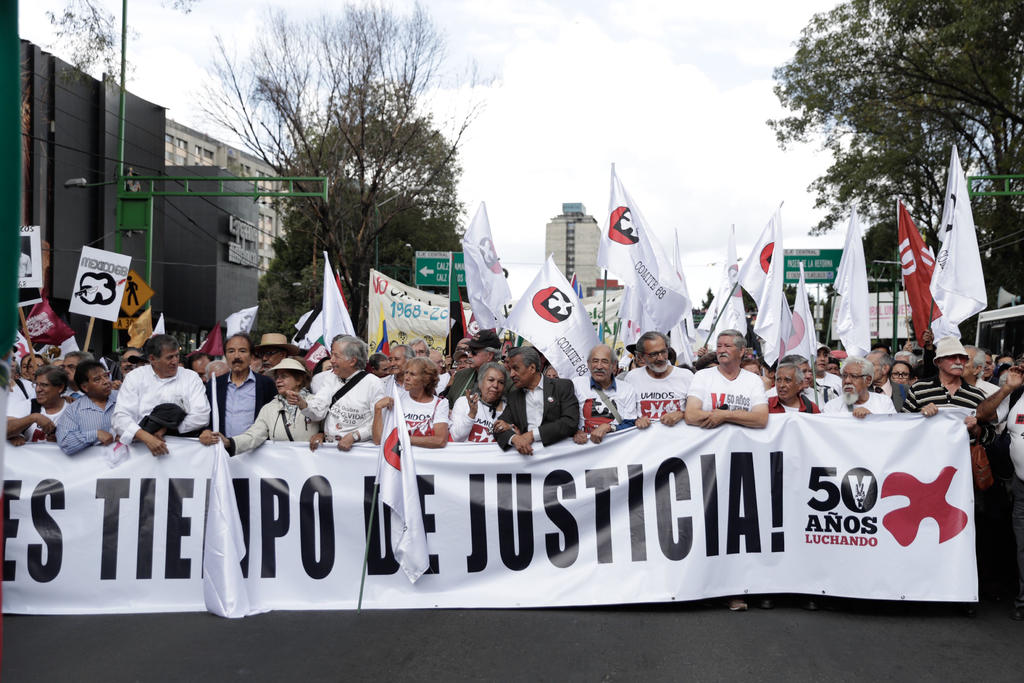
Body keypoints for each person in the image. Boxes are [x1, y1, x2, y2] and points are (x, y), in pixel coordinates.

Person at [111, 334, 211, 456]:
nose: (175, 361)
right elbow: (120, 417)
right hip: (140, 453)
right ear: (152, 359)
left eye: (177, 356)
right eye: (169, 357)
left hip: (183, 452)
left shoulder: (191, 378)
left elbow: (202, 416)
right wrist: (145, 436)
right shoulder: (135, 377)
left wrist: (167, 429)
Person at [200, 359, 322, 454]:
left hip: (310, 466)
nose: (278, 380)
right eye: (277, 377)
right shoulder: (269, 408)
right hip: (282, 468)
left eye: (284, 376)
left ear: (299, 380)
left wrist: (322, 434)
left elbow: (327, 426)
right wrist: (228, 442)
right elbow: (254, 435)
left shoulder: (315, 402)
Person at [299, 336, 384, 452]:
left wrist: (355, 436)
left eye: (336, 356)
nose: (331, 360)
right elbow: (319, 410)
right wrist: (303, 404)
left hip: (359, 451)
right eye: (332, 355)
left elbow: (379, 422)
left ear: (352, 361)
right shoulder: (330, 378)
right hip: (330, 449)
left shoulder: (374, 384)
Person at [493, 346, 579, 454]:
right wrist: (515, 438)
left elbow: (570, 422)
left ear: (532, 368)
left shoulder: (562, 387)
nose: (511, 374)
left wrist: (532, 435)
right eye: (510, 369)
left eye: (516, 368)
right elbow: (499, 427)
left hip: (560, 456)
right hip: (528, 457)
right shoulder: (514, 396)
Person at [684, 329, 768, 430]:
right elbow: (691, 415)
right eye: (719, 346)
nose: (721, 350)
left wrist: (725, 415)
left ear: (741, 351)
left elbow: (761, 419)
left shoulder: (754, 380)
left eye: (727, 346)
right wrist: (741, 417)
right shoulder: (702, 376)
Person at [202, 333, 276, 438]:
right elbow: (206, 418)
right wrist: (206, 431)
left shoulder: (266, 384)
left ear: (251, 356)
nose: (236, 356)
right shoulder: (214, 385)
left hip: (256, 447)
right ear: (225, 356)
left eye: (242, 351)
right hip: (222, 446)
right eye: (231, 351)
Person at [373, 357, 449, 448]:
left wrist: (400, 439)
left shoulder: (440, 404)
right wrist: (377, 409)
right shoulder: (396, 399)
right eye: (406, 373)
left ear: (426, 379)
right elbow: (379, 440)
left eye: (412, 374)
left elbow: (440, 441)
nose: (406, 378)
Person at [624, 331, 694, 428]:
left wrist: (682, 414)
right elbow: (625, 414)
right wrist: (636, 420)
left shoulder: (686, 376)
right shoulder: (632, 378)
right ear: (640, 357)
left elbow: (701, 410)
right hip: (644, 437)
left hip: (680, 437)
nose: (661, 358)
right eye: (654, 354)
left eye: (663, 352)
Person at [572, 344, 638, 444]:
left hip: (614, 448)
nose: (599, 366)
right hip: (583, 447)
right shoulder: (577, 384)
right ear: (588, 364)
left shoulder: (627, 389)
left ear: (614, 365)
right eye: (595, 361)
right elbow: (565, 417)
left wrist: (609, 427)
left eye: (604, 361)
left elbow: (630, 424)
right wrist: (574, 431)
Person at [56, 360, 117, 455]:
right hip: (93, 464)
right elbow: (65, 443)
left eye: (106, 376)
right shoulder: (73, 410)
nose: (106, 382)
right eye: (97, 379)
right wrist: (95, 435)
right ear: (85, 387)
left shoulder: (123, 398)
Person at [7, 366, 69, 445]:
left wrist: (63, 440)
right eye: (36, 384)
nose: (37, 389)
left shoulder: (74, 410)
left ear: (60, 387)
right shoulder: (29, 405)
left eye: (44, 385)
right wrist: (33, 418)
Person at [449, 361, 508, 442]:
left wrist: (509, 430)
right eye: (491, 380)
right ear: (480, 383)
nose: (495, 385)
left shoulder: (508, 409)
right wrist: (471, 414)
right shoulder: (463, 402)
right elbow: (456, 438)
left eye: (501, 382)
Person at [823, 356, 897, 417]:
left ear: (868, 380)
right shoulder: (831, 407)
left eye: (854, 376)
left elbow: (891, 427)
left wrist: (871, 417)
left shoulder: (883, 402)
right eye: (844, 376)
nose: (847, 381)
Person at [444, 330, 501, 408]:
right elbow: (448, 405)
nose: (469, 355)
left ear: (489, 356)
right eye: (469, 351)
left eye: (474, 352)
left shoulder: (506, 382)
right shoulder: (460, 375)